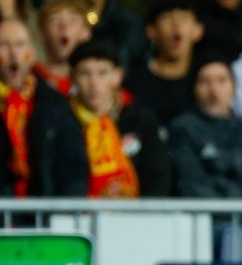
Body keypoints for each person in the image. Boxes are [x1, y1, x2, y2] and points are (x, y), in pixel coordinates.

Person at [0, 18, 88, 197]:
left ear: (32, 53)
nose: (14, 54)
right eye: (3, 45)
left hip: (43, 219)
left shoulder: (55, 104)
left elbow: (73, 168)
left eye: (20, 45)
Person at [68, 38, 170, 197]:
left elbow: (157, 176)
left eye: (102, 73)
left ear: (117, 76)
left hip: (136, 217)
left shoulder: (140, 119)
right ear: (73, 77)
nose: (94, 82)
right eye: (84, 74)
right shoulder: (64, 120)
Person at [171, 57, 242, 198]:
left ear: (234, 89)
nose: (213, 89)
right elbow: (191, 183)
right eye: (205, 81)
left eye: (221, 80)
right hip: (207, 217)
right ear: (194, 89)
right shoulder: (182, 129)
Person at [125, 0, 205, 126]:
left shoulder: (207, 80)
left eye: (184, 18)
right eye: (167, 18)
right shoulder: (134, 81)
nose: (176, 25)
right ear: (152, 31)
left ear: (198, 30)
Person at [34, 0, 94, 96]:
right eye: (54, 20)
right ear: (42, 33)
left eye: (72, 20)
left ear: (86, 32)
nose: (64, 26)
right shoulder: (32, 79)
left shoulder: (95, 83)